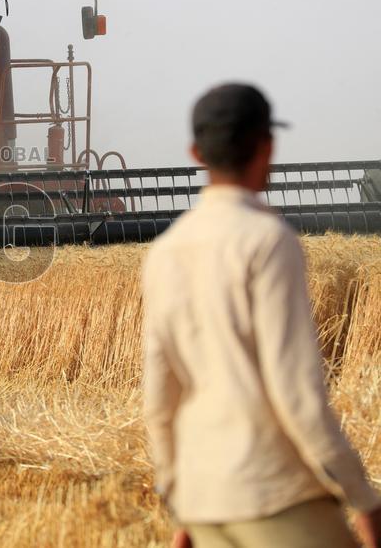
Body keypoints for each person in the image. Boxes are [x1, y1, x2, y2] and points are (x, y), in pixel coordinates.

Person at [141, 84, 381, 548]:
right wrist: (364, 498)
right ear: (268, 145)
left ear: (195, 153)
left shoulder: (165, 252)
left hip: (206, 502)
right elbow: (297, 394)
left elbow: (159, 395)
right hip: (275, 493)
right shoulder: (268, 240)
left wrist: (180, 498)